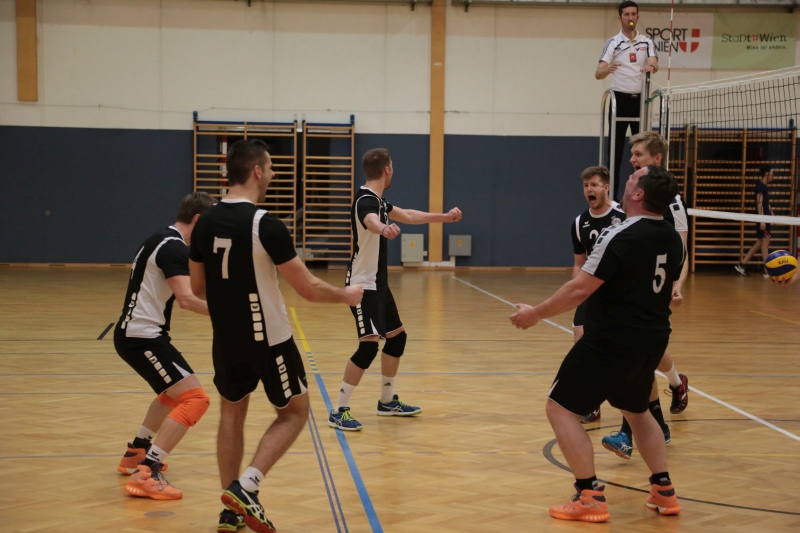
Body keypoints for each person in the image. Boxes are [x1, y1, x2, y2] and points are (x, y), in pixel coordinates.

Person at [189, 139, 363, 533]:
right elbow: (308, 288)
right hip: (269, 339)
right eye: (270, 167)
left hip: (226, 339)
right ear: (256, 171)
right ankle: (247, 486)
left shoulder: (206, 222)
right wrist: (347, 295)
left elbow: (198, 288)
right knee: (295, 413)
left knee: (232, 414)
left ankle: (230, 511)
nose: (273, 173)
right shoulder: (264, 224)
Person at [511, 165, 684, 522]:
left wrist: (535, 314)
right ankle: (663, 490)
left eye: (633, 178)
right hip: (653, 338)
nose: (627, 179)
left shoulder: (619, 233)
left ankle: (589, 494)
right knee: (638, 411)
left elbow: (579, 289)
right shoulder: (671, 237)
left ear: (638, 193)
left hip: (611, 339)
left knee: (559, 409)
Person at [328, 148, 463, 431]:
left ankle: (387, 402)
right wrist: (383, 229)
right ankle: (339, 410)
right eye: (393, 167)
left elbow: (409, 215)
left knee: (397, 338)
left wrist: (444, 217)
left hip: (379, 284)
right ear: (387, 170)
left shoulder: (378, 200)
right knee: (368, 347)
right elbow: (370, 221)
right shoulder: (365, 200)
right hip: (362, 286)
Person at [115, 191, 216, 501]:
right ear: (197, 220)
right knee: (196, 399)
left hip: (139, 335)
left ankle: (136, 453)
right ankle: (147, 472)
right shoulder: (173, 247)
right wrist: (232, 317)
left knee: (172, 395)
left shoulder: (161, 239)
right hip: (142, 338)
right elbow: (187, 299)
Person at [601, 131, 690, 460]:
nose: (632, 159)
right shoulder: (636, 193)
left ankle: (628, 434)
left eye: (638, 154)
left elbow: (682, 249)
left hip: (654, 289)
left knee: (636, 359)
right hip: (633, 287)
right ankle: (663, 414)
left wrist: (677, 284)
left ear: (656, 158)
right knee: (643, 358)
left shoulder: (671, 200)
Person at [570, 165, 626, 424]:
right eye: (585, 186)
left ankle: (673, 381)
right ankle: (591, 404)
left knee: (629, 351)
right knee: (581, 341)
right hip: (590, 290)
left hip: (619, 292)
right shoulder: (579, 223)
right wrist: (576, 291)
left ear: (606, 187)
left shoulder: (624, 216)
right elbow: (579, 263)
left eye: (593, 185)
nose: (589, 190)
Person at [596, 0, 658, 200]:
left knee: (643, 152)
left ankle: (643, 196)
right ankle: (611, 199)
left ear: (637, 17)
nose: (630, 18)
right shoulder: (613, 43)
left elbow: (654, 62)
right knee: (615, 153)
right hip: (619, 101)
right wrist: (608, 68)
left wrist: (650, 66)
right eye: (626, 14)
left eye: (633, 14)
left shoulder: (646, 42)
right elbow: (598, 73)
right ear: (620, 18)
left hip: (640, 101)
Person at [735, 165, 775, 278]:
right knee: (765, 244)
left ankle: (742, 264)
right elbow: (759, 203)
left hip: (766, 218)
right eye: (772, 173)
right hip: (762, 219)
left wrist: (773, 216)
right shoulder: (760, 186)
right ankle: (767, 270)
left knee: (760, 243)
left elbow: (766, 204)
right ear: (767, 173)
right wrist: (762, 220)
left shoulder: (764, 187)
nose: (773, 176)